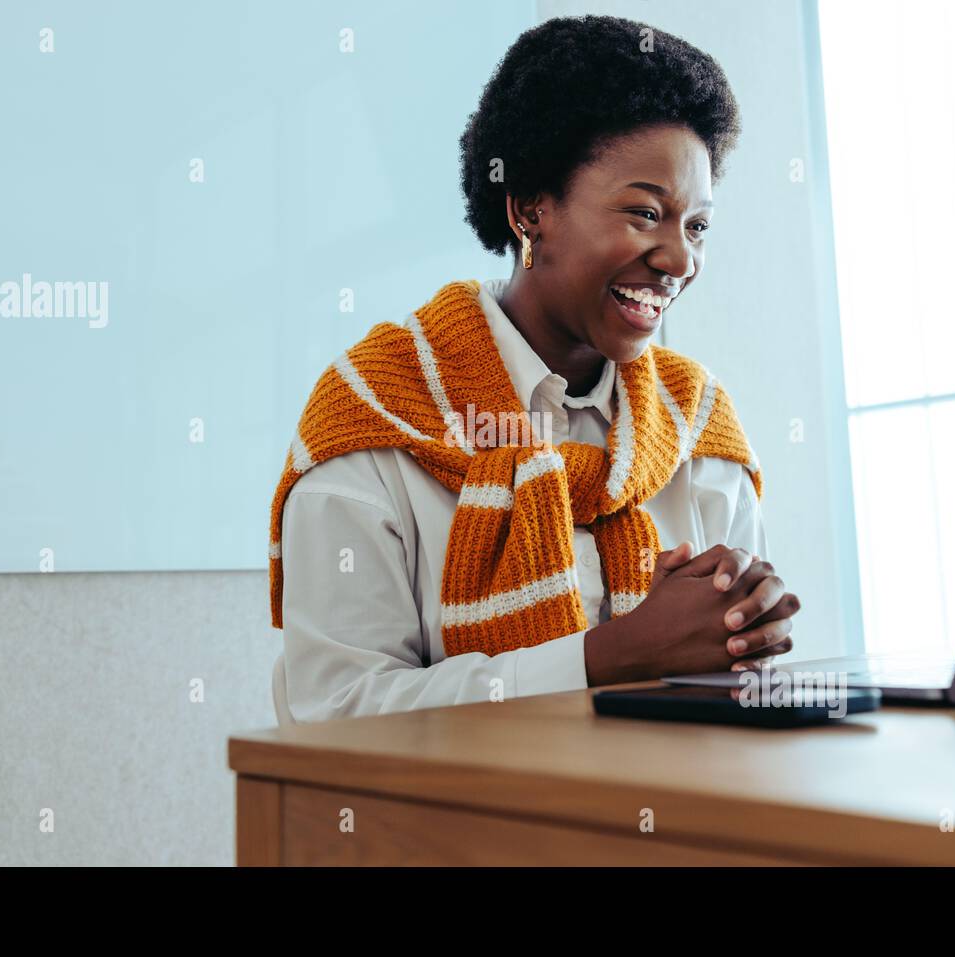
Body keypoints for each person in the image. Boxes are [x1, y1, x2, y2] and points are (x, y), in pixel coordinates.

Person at [268, 14, 800, 723]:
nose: (680, 259)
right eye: (645, 212)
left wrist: (741, 635)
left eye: (696, 225)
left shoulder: (699, 428)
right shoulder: (373, 415)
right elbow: (333, 714)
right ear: (528, 211)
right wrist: (610, 656)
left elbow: (736, 694)